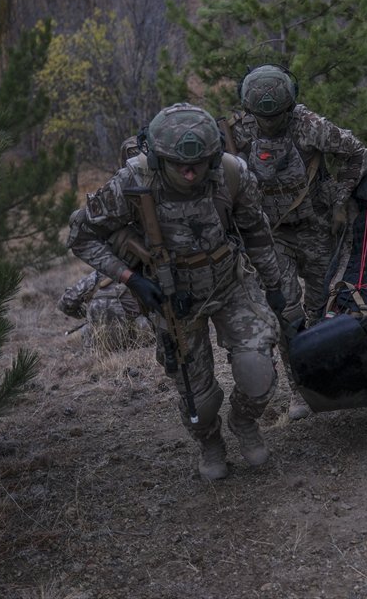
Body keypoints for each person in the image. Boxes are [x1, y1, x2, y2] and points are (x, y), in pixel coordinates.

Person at [67, 103, 286, 480]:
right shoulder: (132, 182)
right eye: (178, 165)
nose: (189, 172)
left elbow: (256, 233)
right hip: (171, 298)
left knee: (257, 371)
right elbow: (82, 236)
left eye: (199, 163)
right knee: (197, 396)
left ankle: (244, 422)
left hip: (230, 283)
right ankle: (209, 442)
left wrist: (275, 285)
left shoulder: (233, 173)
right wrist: (129, 278)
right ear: (156, 158)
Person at [220, 65, 367, 420]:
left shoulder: (310, 126)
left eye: (277, 116)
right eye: (262, 116)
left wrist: (340, 199)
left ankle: (329, 377)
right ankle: (300, 389)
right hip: (270, 237)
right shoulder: (236, 131)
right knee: (286, 312)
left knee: (320, 308)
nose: (269, 123)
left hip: (316, 230)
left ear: (290, 107)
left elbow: (355, 153)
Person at [59, 136, 147, 334]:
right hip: (141, 331)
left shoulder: (102, 273)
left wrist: (92, 315)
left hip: (98, 334)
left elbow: (66, 303)